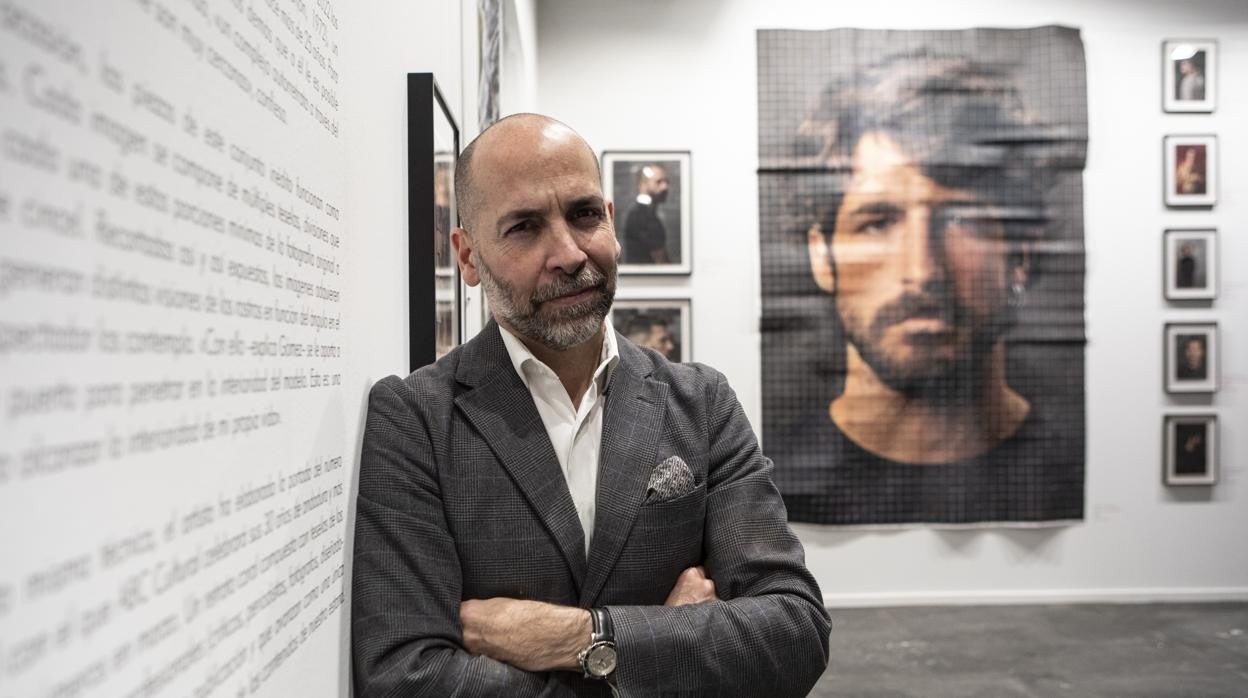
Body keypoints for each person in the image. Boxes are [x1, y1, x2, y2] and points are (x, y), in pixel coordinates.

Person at [352, 114, 830, 696]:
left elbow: (794, 633)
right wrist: (666, 646)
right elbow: (407, 677)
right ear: (469, 257)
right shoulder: (415, 420)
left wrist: (585, 639)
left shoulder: (702, 404)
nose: (570, 254)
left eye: (584, 215)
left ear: (610, 217)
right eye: (524, 227)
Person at [778, 55, 1083, 524]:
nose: (922, 271)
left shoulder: (1068, 472)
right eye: (878, 222)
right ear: (822, 255)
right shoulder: (766, 486)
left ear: (1021, 252)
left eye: (962, 219)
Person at [622, 163, 671, 264]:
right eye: (659, 182)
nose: (665, 187)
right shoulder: (643, 216)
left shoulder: (641, 213)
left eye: (666, 182)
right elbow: (662, 263)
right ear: (643, 185)